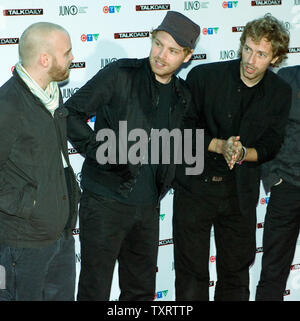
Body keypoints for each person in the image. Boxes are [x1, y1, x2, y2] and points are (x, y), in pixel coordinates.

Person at [65, 11, 200, 301]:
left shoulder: (183, 95)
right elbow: (70, 114)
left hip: (148, 208)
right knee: (95, 289)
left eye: (173, 50)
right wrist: (100, 151)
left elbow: (181, 146)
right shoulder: (120, 75)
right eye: (158, 44)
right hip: (104, 202)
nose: (162, 55)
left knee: (140, 292)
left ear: (187, 56)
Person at [173, 14, 292, 301]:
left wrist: (241, 153)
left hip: (240, 193)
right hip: (195, 188)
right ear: (241, 44)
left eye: (262, 54)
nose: (251, 60)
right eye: (248, 48)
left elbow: (271, 144)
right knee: (191, 274)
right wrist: (219, 145)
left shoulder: (280, 92)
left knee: (236, 274)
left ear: (275, 58)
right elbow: (182, 129)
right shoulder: (203, 77)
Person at [0, 22, 80, 301]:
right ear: (44, 59)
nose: (72, 57)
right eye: (67, 52)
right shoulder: (8, 105)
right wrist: (28, 205)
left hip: (61, 234)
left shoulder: (51, 95)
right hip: (22, 242)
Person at [255, 65, 300, 301]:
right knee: (273, 271)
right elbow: (266, 130)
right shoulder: (286, 78)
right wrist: (274, 179)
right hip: (288, 187)